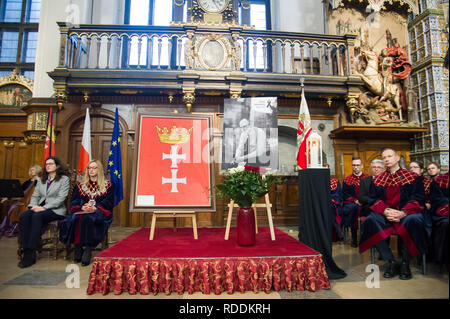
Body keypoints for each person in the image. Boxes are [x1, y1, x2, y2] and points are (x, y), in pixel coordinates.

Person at [359, 148, 427, 280]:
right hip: (386, 214)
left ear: (397, 158)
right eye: (384, 157)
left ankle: (405, 262)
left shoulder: (412, 177)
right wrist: (385, 211)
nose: (386, 159)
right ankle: (390, 261)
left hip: (407, 213)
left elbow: (419, 197)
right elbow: (373, 200)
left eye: (389, 156)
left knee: (415, 220)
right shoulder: (378, 179)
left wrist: (403, 212)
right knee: (370, 221)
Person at [18, 157, 70, 268]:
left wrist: (44, 208)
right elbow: (36, 195)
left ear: (57, 166)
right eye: (46, 164)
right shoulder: (42, 179)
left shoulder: (64, 179)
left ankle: (30, 253)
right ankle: (25, 246)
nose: (48, 166)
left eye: (51, 164)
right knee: (24, 216)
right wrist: (32, 206)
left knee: (36, 217)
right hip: (39, 207)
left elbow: (61, 198)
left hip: (56, 210)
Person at [59, 160, 114, 266]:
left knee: (89, 218)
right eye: (89, 168)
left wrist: (96, 207)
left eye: (94, 168)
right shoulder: (80, 185)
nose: (91, 170)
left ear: (99, 170)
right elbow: (75, 200)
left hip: (99, 211)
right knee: (74, 218)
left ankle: (88, 248)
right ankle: (78, 247)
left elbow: (109, 201)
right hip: (82, 210)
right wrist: (82, 206)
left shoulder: (108, 185)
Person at [0, 165, 42, 237]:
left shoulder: (41, 181)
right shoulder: (27, 182)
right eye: (30, 170)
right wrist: (8, 197)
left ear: (38, 171)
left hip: (35, 203)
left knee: (14, 207)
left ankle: (13, 228)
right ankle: (6, 227)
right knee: (14, 206)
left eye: (33, 170)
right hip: (25, 201)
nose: (31, 171)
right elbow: (18, 192)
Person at [341, 156, 369, 247]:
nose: (355, 167)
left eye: (357, 165)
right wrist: (355, 201)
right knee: (353, 209)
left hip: (365, 203)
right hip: (351, 204)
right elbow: (345, 195)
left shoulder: (368, 178)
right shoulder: (347, 179)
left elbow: (371, 193)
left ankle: (368, 238)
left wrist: (363, 201)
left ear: (362, 166)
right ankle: (354, 238)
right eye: (354, 165)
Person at [429, 172, 448, 269]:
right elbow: (437, 200)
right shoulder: (439, 181)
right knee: (446, 224)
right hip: (444, 214)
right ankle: (444, 260)